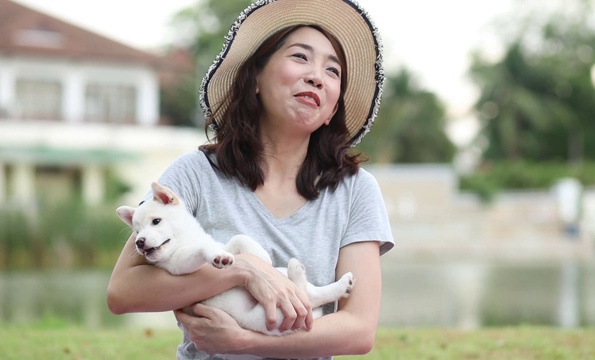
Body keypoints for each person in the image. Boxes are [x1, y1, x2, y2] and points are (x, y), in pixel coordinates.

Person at [107, 0, 394, 358]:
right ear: (255, 78)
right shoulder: (195, 173)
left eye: (332, 71)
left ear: (331, 111)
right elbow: (122, 292)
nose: (317, 76)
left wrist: (246, 341)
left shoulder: (355, 190)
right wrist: (242, 271)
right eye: (300, 57)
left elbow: (359, 330)